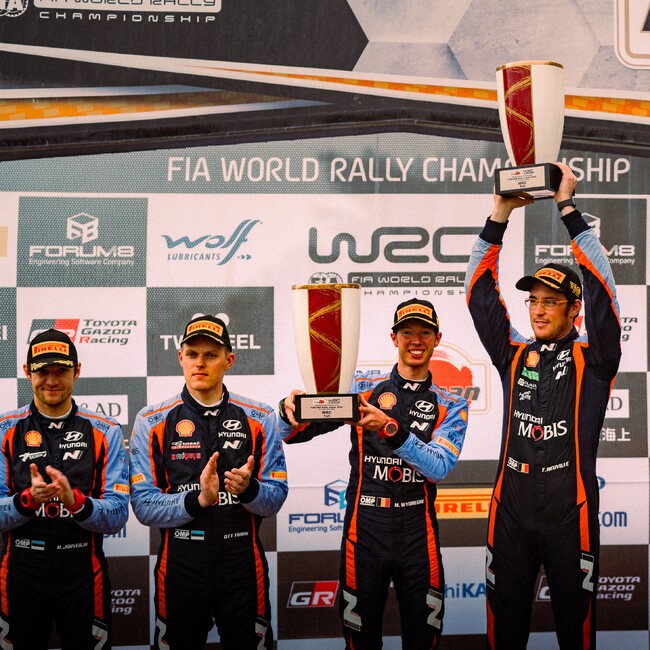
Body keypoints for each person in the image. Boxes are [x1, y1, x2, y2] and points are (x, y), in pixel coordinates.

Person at [465, 162, 621, 649]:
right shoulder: (513, 353)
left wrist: (567, 209)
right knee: (503, 628)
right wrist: (499, 214)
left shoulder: (595, 359)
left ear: (574, 310)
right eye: (533, 300)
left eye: (550, 301)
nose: (537, 309)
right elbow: (478, 295)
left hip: (569, 509)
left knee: (576, 630)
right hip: (510, 508)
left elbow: (604, 295)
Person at [279, 298, 468, 649]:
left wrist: (390, 428)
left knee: (423, 638)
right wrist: (289, 410)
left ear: (437, 339)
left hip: (417, 531)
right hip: (365, 527)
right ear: (394, 338)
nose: (416, 340)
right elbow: (293, 432)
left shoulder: (451, 403)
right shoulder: (363, 388)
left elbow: (439, 467)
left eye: (425, 333)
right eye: (407, 332)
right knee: (360, 639)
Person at [129, 314, 288, 650]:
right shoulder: (152, 421)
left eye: (211, 355)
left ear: (229, 360)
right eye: (192, 354)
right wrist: (197, 500)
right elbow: (143, 506)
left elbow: (275, 498)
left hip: (242, 560)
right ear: (180, 358)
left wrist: (250, 490)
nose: (200, 363)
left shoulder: (260, 418)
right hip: (181, 563)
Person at [0, 328, 130, 649]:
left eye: (61, 371)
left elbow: (117, 514)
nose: (52, 380)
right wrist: (27, 500)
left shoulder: (105, 431)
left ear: (77, 371)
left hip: (82, 569)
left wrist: (77, 503)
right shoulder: (5, 429)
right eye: (43, 371)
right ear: (27, 371)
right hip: (21, 569)